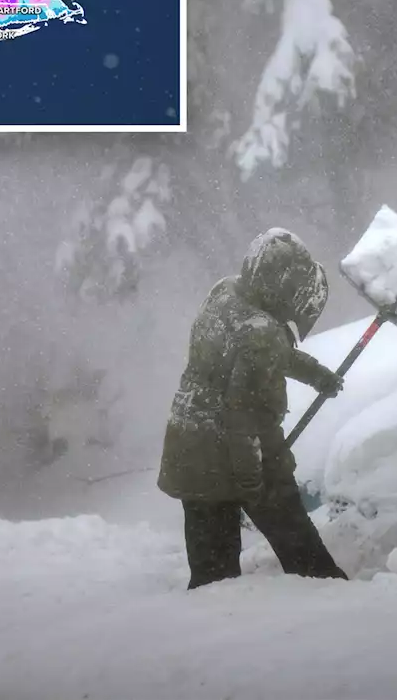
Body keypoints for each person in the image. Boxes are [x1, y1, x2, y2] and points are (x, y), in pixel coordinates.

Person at [157, 228, 350, 589]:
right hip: (232, 454)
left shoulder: (226, 292)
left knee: (212, 569)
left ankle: (212, 627)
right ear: (280, 286)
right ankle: (332, 597)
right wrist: (252, 482)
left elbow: (251, 352)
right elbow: (243, 415)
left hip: (189, 447)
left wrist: (313, 373)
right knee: (298, 543)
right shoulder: (260, 331)